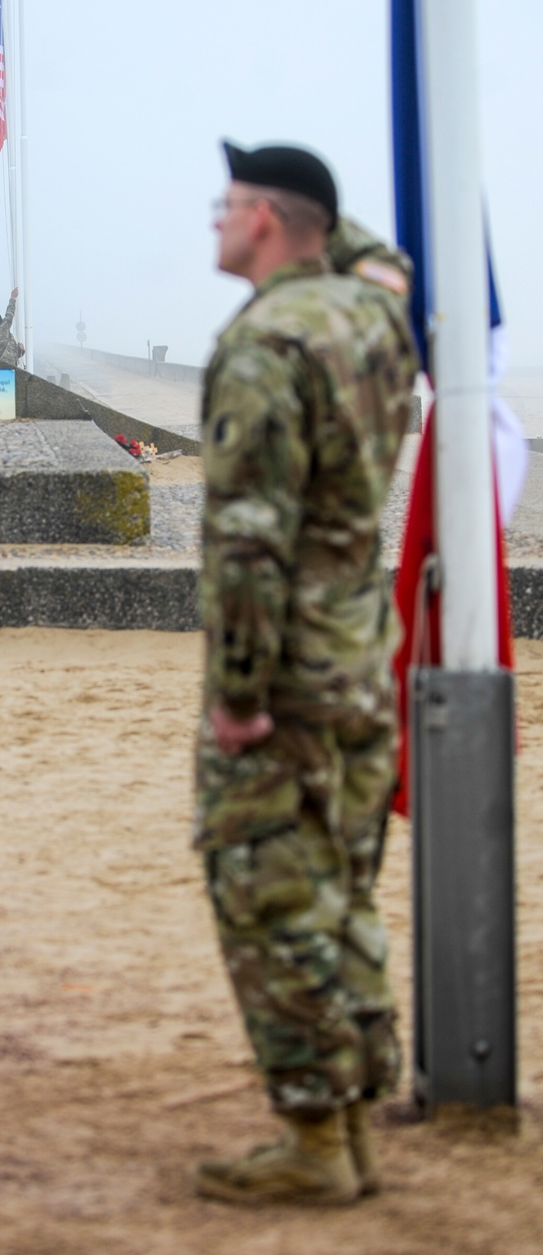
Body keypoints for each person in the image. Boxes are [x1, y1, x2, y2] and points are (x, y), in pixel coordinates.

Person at [192, 140, 419, 1206]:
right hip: (361, 661)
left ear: (270, 223)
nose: (214, 222)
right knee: (341, 894)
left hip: (286, 680)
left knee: (271, 897)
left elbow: (245, 539)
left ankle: (314, 1142)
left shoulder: (264, 342)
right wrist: (329, 215)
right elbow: (382, 257)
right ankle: (355, 1120)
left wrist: (237, 697)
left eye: (228, 205)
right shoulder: (374, 314)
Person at [0, 287, 25, 367]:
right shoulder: (1, 331)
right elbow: (9, 316)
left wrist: (20, 351)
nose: (3, 321)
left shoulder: (0, 337)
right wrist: (13, 298)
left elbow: (9, 353)